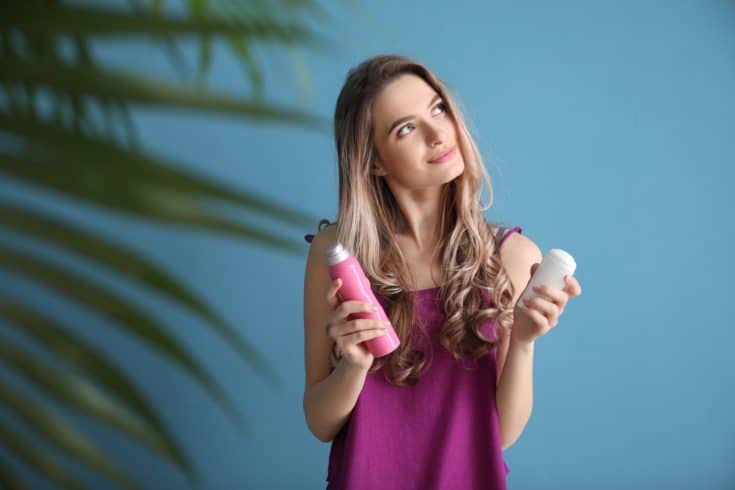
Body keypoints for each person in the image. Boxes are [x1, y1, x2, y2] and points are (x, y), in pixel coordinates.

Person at [302, 54, 582, 490]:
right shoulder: (338, 256)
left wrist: (523, 340)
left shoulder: (509, 256)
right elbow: (320, 423)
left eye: (438, 108)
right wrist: (353, 366)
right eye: (406, 128)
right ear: (374, 161)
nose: (438, 133)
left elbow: (500, 436)